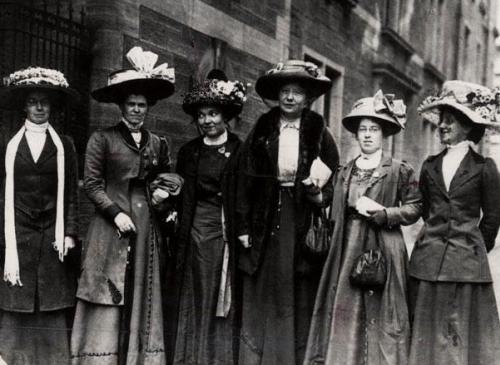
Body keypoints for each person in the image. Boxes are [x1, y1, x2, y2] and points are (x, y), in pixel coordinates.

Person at [71, 46, 178, 365]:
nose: (136, 110)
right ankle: (100, 359)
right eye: (131, 104)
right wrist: (115, 214)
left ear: (149, 108)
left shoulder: (157, 142)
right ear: (121, 106)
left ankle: (137, 358)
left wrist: (163, 197)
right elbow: (91, 184)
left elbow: (164, 179)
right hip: (110, 226)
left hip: (146, 229)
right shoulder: (101, 139)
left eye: (142, 105)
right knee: (107, 289)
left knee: (139, 289)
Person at [304, 91, 422, 365]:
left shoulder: (398, 170)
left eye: (374, 129)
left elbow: (415, 207)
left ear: (384, 134)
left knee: (381, 310)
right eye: (362, 130)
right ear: (356, 135)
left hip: (383, 246)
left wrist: (385, 213)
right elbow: (327, 202)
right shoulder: (344, 171)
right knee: (346, 305)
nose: (368, 135)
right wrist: (313, 191)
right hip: (347, 246)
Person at [235, 60, 339, 365]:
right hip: (265, 216)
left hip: (301, 217)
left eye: (296, 92)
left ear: (307, 98)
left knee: (298, 284)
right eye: (284, 91)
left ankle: (294, 357)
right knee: (265, 283)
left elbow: (334, 173)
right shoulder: (263, 127)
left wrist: (319, 193)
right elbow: (244, 178)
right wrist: (242, 226)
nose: (290, 98)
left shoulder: (319, 131)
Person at [409, 81, 500, 365]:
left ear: (468, 125)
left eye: (451, 119)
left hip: (467, 268)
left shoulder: (485, 167)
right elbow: (426, 210)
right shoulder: (429, 164)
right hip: (428, 263)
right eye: (442, 120)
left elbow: (493, 218)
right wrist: (436, 240)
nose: (443, 126)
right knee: (427, 334)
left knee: (460, 337)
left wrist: (471, 248)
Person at [0, 66, 80, 364]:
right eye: (33, 101)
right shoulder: (8, 144)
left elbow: (71, 190)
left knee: (50, 298)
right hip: (17, 229)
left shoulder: (64, 146)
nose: (38, 107)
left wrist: (69, 232)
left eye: (44, 102)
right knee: (17, 296)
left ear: (52, 106)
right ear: (24, 105)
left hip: (52, 231)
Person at [172, 69, 247, 364]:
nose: (207, 121)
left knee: (223, 293)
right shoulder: (189, 151)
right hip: (194, 229)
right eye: (201, 115)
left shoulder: (239, 150)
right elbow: (180, 190)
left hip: (225, 230)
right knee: (197, 292)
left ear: (225, 115)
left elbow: (245, 195)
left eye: (213, 113)